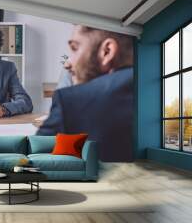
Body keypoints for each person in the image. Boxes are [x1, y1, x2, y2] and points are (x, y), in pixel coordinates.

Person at [37, 25, 134, 162]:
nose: (67, 64)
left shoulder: (71, 101)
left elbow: (32, 162)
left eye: (75, 48)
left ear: (107, 51)